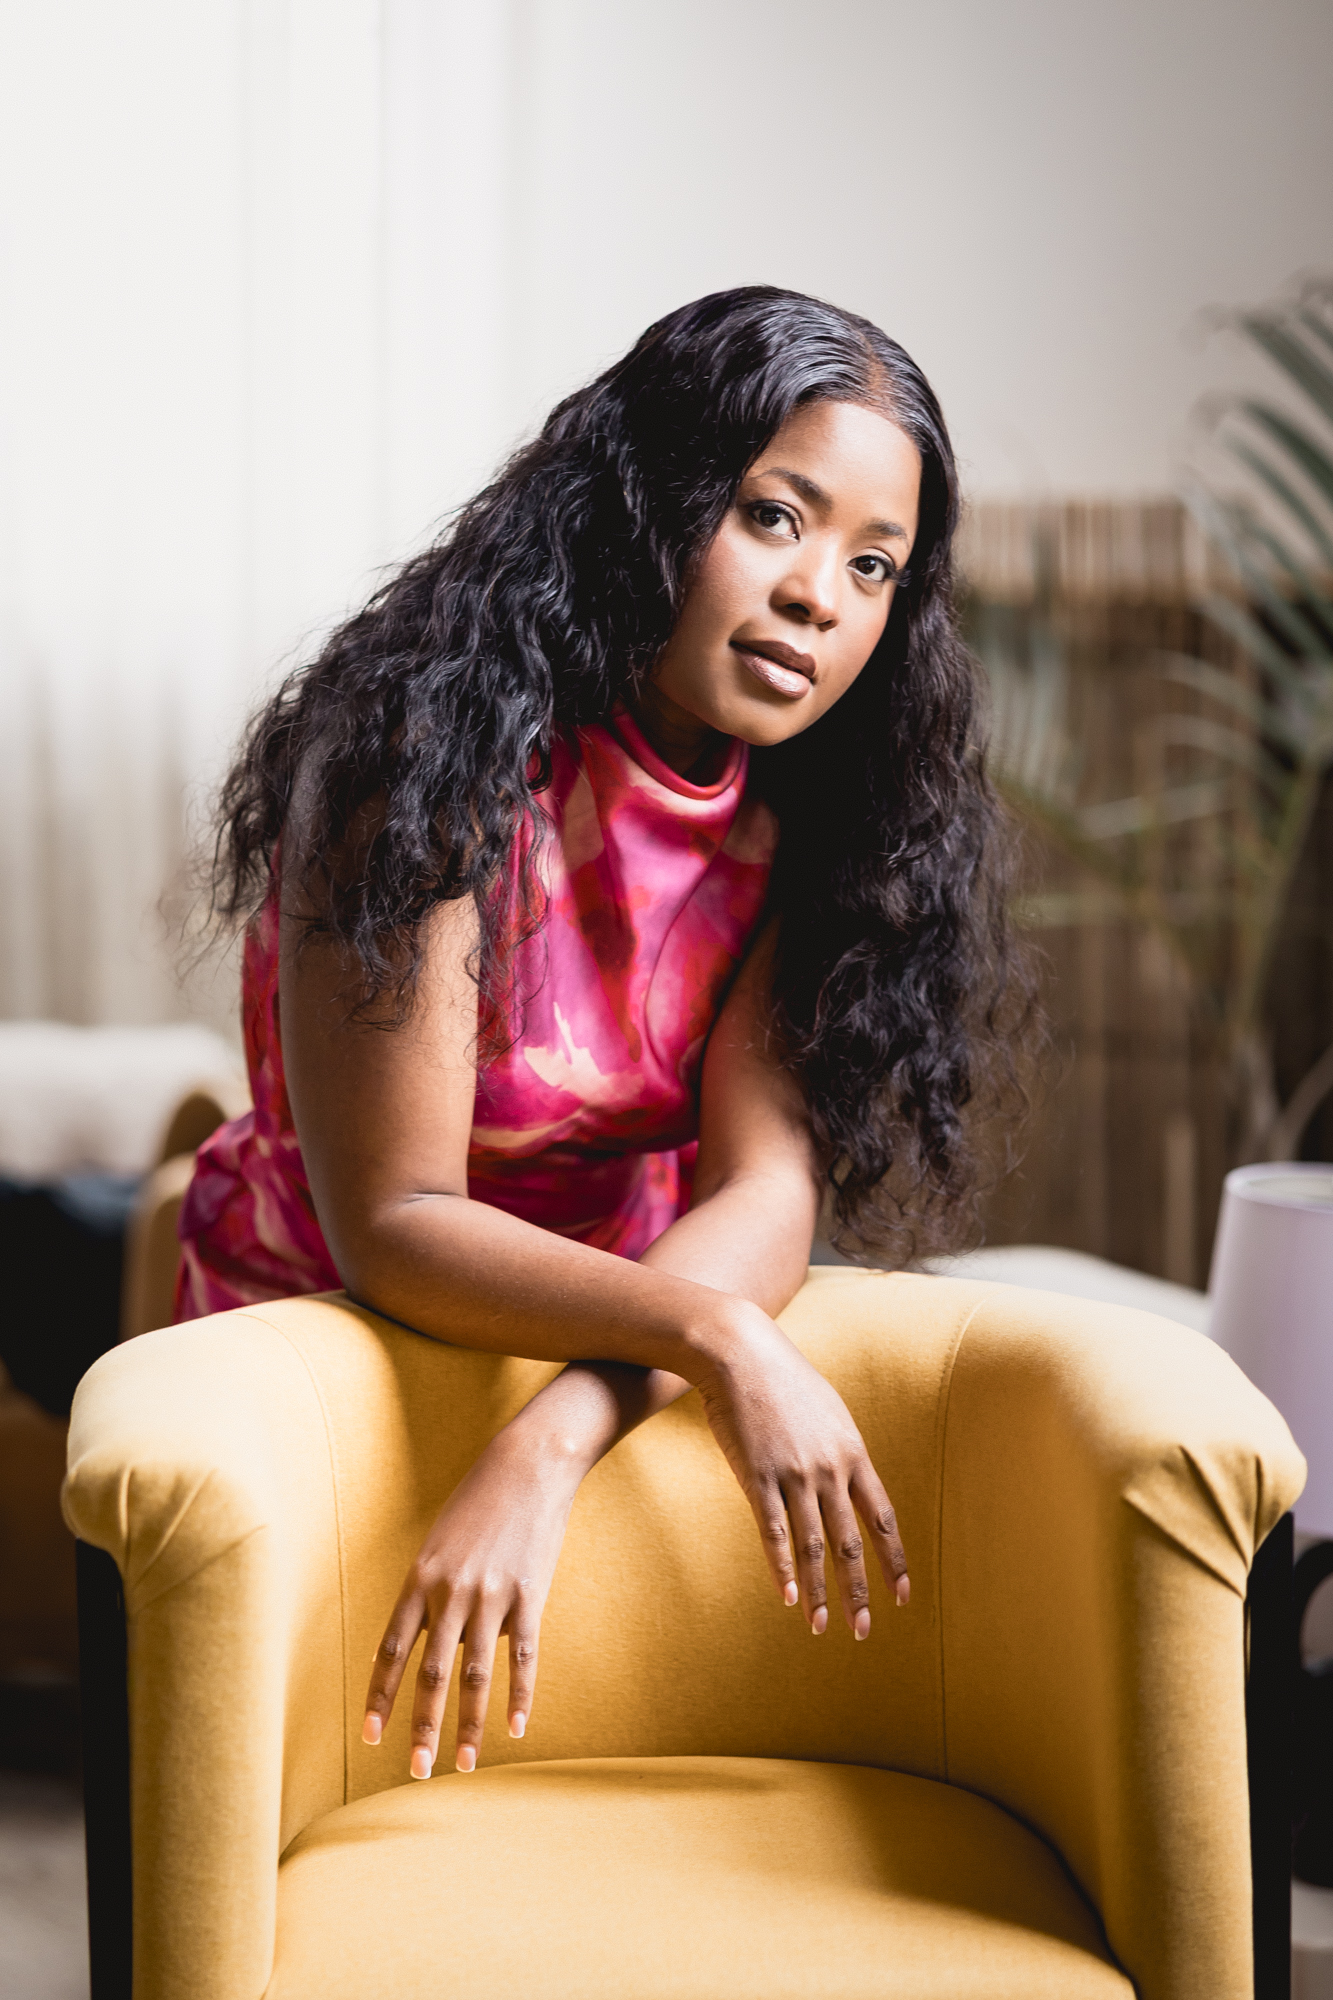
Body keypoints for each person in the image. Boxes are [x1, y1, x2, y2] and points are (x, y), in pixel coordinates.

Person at [181, 285, 1024, 1784]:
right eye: (775, 517)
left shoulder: (819, 822)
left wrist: (564, 1425)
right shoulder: (423, 760)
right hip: (332, 1320)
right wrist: (716, 1337)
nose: (820, 595)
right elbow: (397, 1218)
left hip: (614, 1329)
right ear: (652, 499)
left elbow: (766, 1191)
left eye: (873, 564)